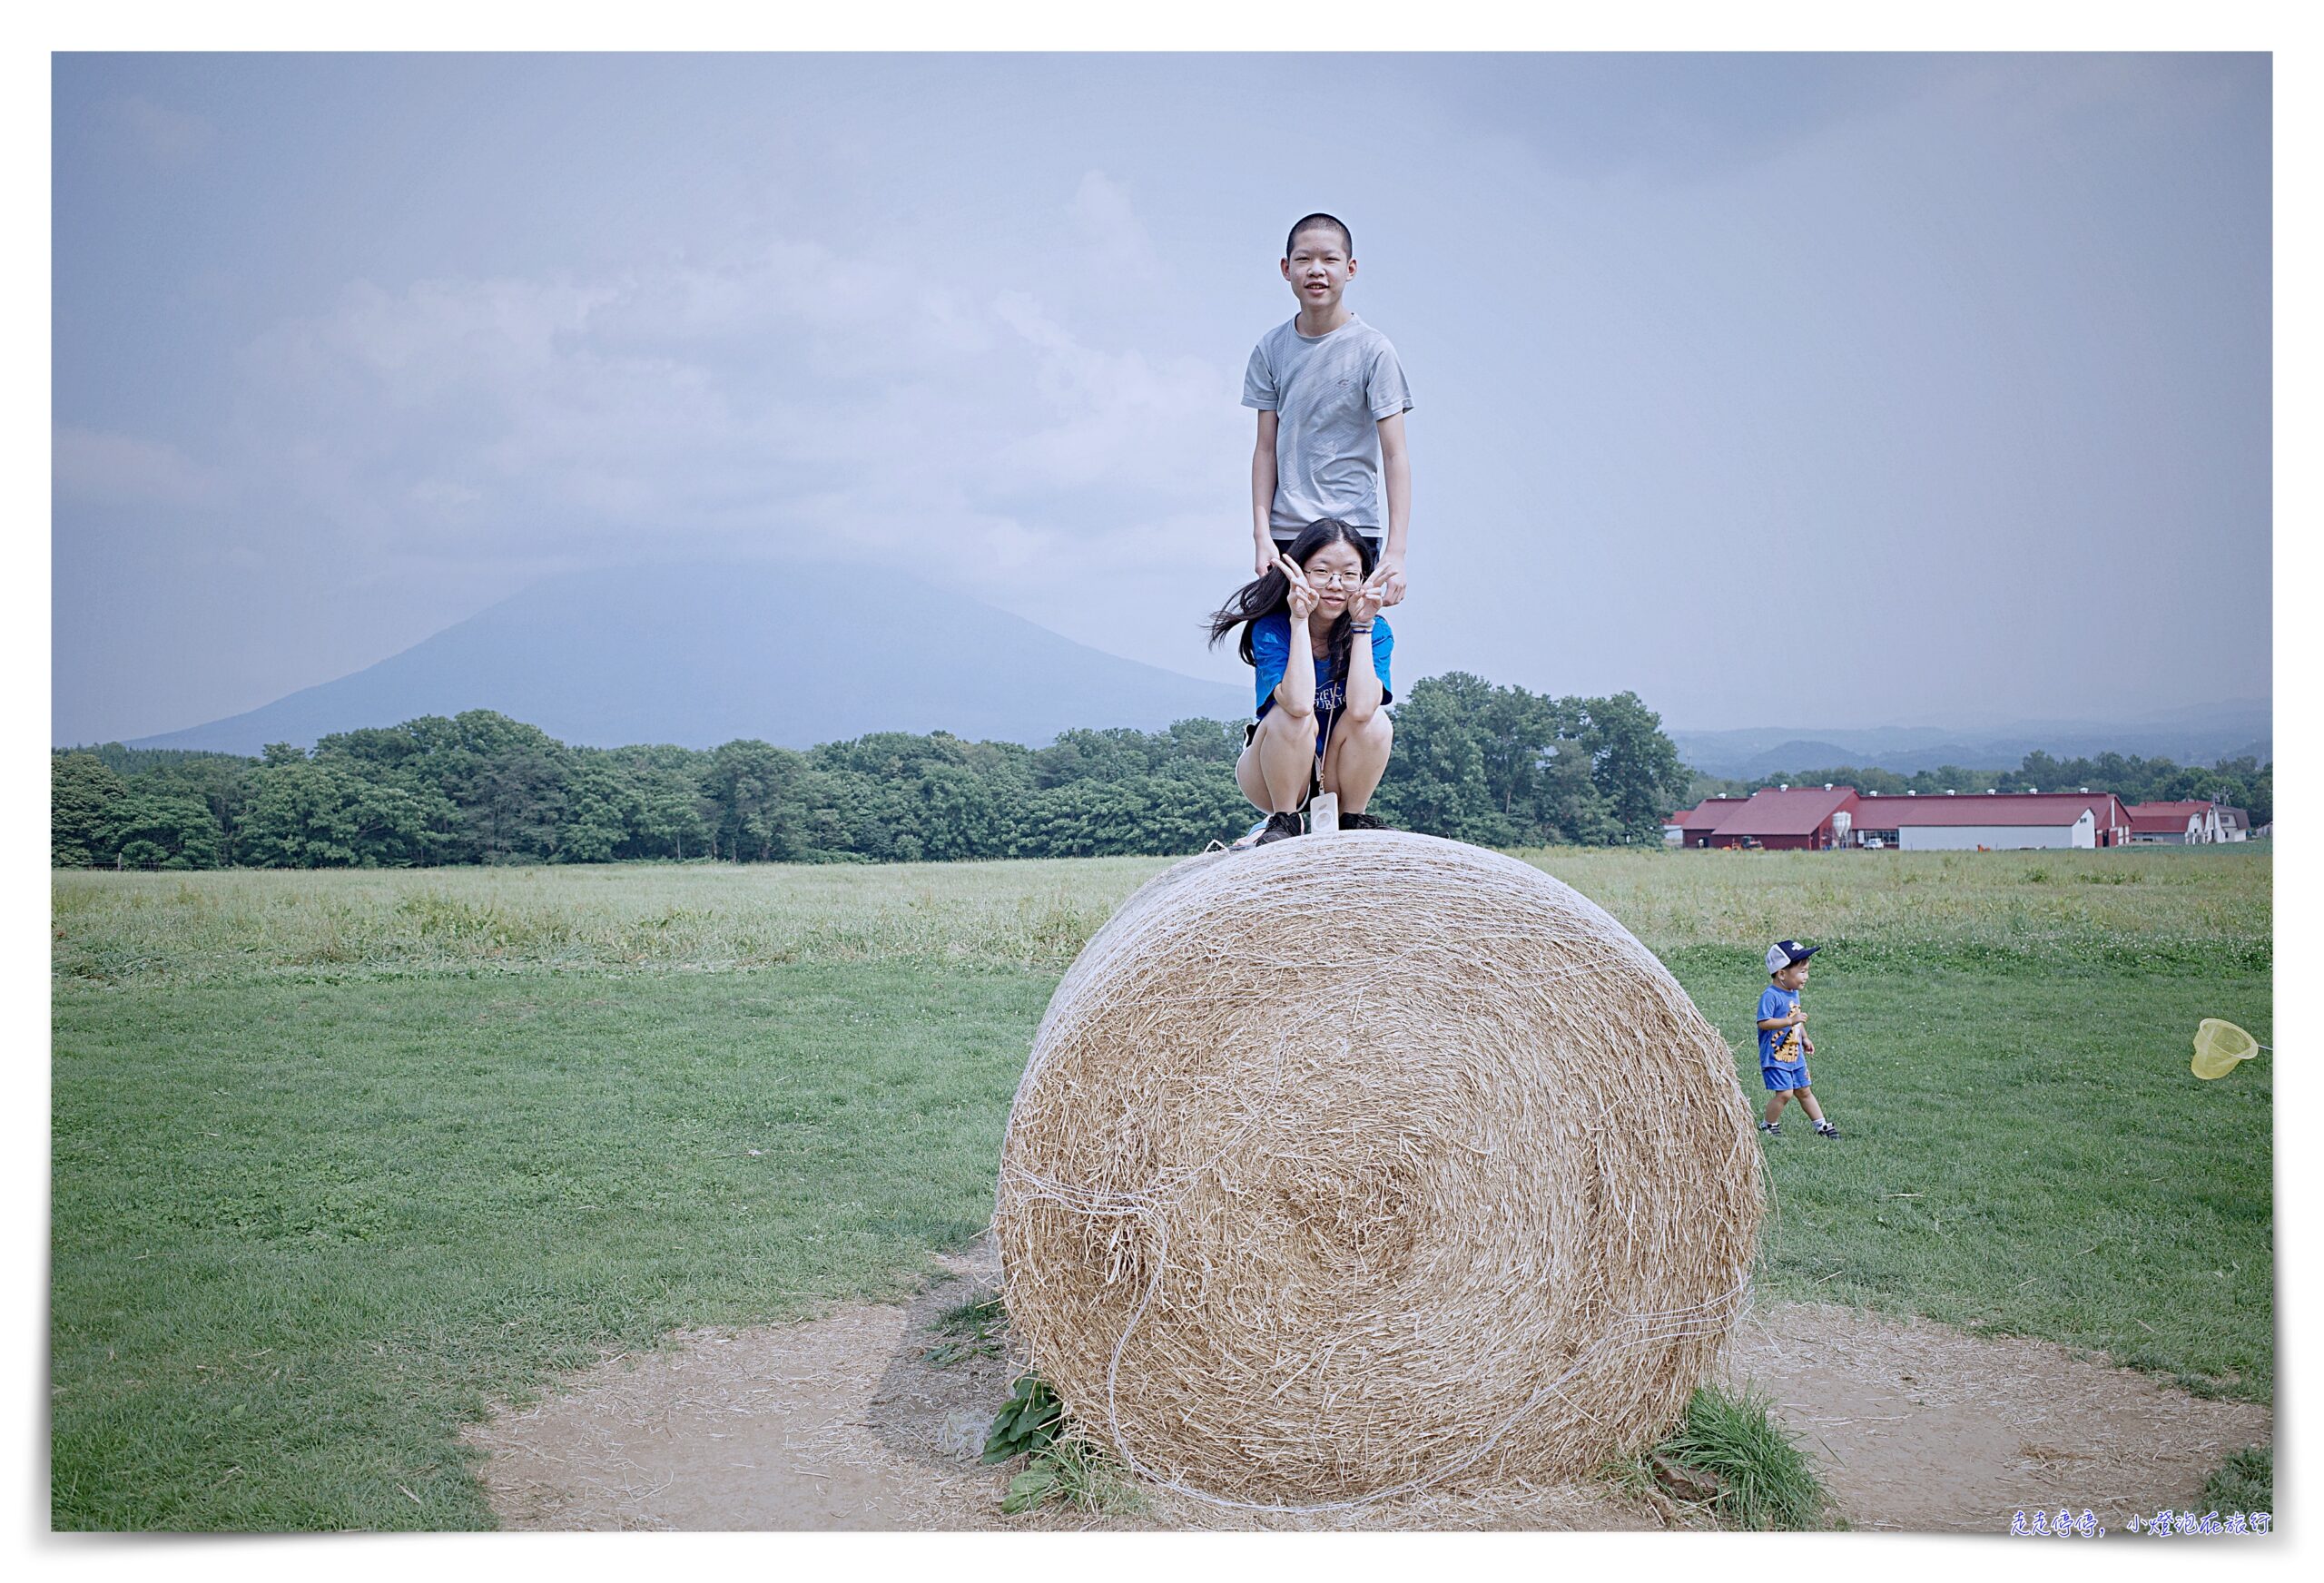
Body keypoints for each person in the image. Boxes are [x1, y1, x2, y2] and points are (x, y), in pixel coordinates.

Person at [1243, 213, 1413, 607]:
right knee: (1279, 651)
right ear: (1286, 269)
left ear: (1350, 269)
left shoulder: (1374, 350)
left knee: (1350, 648)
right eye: (1304, 260)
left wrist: (1397, 553)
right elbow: (1265, 449)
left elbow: (1395, 454)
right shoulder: (1271, 349)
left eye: (1329, 260)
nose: (1316, 270)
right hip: (1288, 533)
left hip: (1354, 530)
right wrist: (1261, 536)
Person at [1207, 518, 1395, 845]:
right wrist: (1299, 620)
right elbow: (1297, 702)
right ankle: (1284, 821)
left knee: (1377, 722)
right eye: (1322, 572)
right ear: (1300, 574)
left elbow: (1364, 708)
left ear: (1363, 579)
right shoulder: (1272, 629)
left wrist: (1362, 626)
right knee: (1291, 716)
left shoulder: (1376, 631)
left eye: (1350, 574)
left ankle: (1352, 817)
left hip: (1337, 770)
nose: (1336, 585)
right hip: (1275, 773)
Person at [1758, 940, 1840, 1138]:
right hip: (1776, 1056)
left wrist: (1804, 1037)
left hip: (1796, 1054)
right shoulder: (1770, 996)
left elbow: (1797, 1019)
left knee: (1804, 1090)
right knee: (1785, 1093)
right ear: (1782, 974)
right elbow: (1764, 1022)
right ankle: (1768, 1125)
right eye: (1802, 972)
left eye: (1807, 971)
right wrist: (1789, 1020)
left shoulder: (1793, 993)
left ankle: (1821, 1125)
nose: (1806, 977)